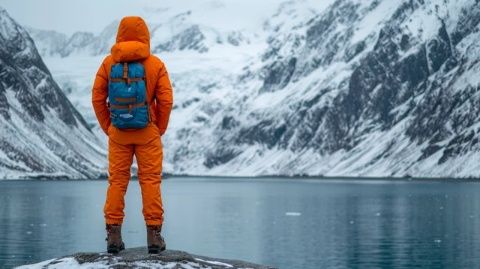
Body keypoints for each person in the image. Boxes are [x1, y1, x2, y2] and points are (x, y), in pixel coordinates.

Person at [92, 16, 173, 254]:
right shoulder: (156, 64)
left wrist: (109, 126)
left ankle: (113, 238)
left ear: (119, 35)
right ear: (145, 36)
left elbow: (97, 99)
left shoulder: (108, 64)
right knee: (150, 181)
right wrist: (159, 128)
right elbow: (166, 100)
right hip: (148, 132)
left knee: (117, 181)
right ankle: (154, 238)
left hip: (118, 132)